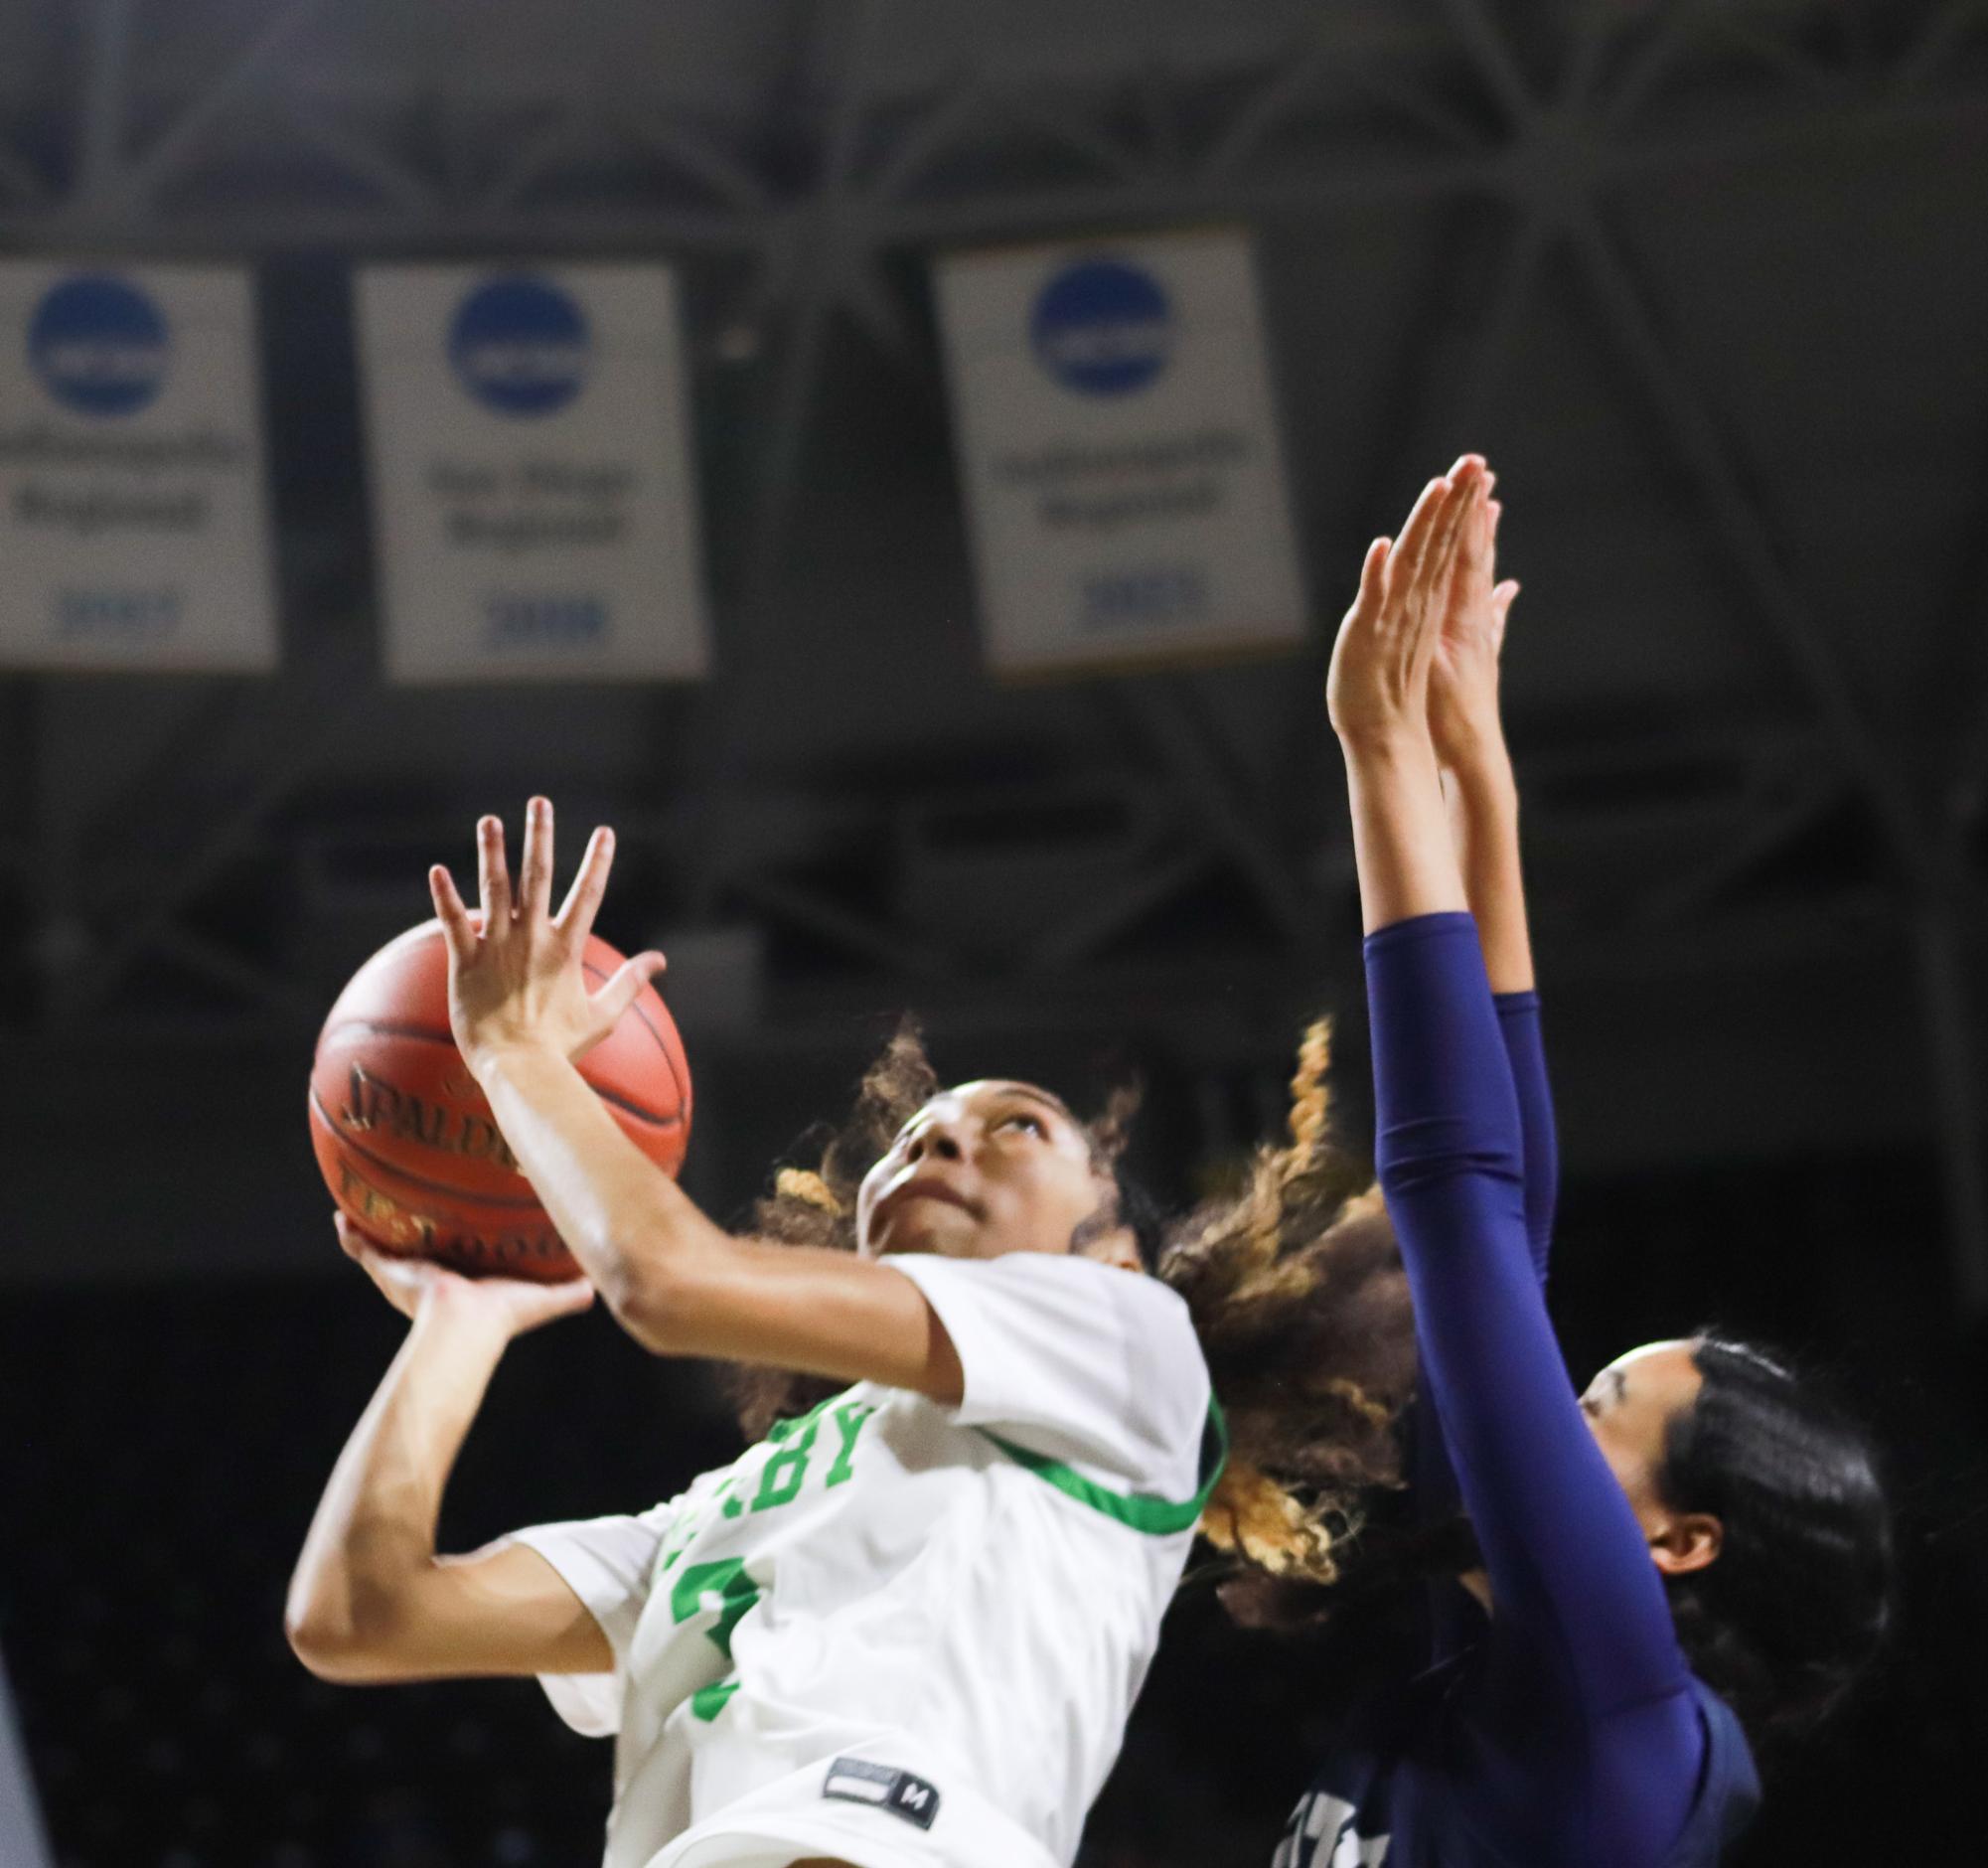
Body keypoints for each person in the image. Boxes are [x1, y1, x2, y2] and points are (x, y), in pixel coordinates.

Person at [287, 792, 1409, 1868]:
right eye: (912, 1138)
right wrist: (459, 1317)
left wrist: (515, 1055)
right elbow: (361, 1614)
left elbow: (667, 1283)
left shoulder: (1126, 1342)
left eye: (1016, 1125)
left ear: (1112, 1249)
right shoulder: (733, 1508)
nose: (939, 1146)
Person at [1270, 456, 1897, 1866]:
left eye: (1599, 1407)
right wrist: (1470, 771)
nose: (1546, 1403)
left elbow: (1466, 1215)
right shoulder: (1526, 1683)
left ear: (1680, 1544)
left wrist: (1382, 764)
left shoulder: (1612, 1713)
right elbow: (1507, 1235)